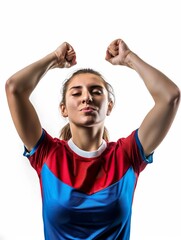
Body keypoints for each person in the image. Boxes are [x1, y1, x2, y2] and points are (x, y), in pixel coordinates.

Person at [5, 38, 180, 240]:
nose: (86, 97)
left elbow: (170, 97)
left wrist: (129, 58)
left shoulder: (127, 155)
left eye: (96, 92)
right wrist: (54, 59)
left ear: (109, 106)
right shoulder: (47, 153)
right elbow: (14, 88)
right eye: (76, 92)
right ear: (63, 109)